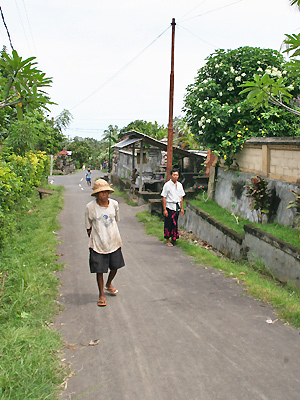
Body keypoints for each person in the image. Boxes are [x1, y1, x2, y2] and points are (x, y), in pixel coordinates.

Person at [85, 179, 125, 307]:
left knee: (115, 267)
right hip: (98, 243)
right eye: (101, 193)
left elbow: (116, 220)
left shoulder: (114, 204)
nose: (104, 195)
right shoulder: (90, 207)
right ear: (96, 194)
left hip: (113, 241)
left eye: (106, 192)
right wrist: (96, 237)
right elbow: (88, 227)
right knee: (100, 270)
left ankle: (109, 283)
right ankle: (101, 294)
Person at [161, 169, 185, 247]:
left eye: (177, 175)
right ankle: (167, 239)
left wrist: (182, 208)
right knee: (168, 223)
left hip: (176, 206)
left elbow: (181, 197)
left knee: (175, 223)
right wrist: (165, 209)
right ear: (171, 175)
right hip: (169, 206)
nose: (175, 176)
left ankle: (174, 238)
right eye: (174, 175)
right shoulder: (167, 185)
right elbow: (164, 197)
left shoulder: (180, 185)